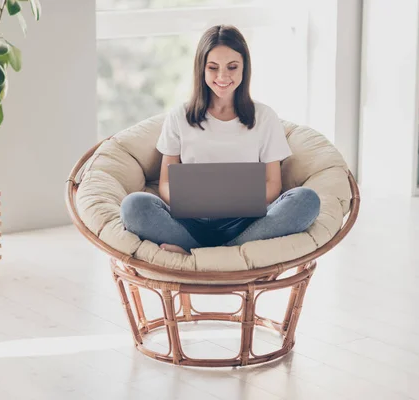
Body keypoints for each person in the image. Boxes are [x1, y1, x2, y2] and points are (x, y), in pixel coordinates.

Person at [120, 24, 320, 255]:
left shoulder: (264, 117)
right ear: (201, 70)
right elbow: (165, 183)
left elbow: (273, 185)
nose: (222, 77)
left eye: (232, 67)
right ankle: (227, 255)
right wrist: (191, 202)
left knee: (307, 200)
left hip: (246, 223)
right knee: (133, 206)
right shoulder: (179, 116)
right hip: (189, 222)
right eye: (213, 68)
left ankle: (204, 253)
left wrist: (235, 202)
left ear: (244, 69)